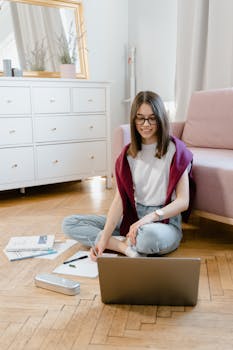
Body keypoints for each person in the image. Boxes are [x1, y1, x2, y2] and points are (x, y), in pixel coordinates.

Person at [62, 91, 195, 261]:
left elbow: (183, 202)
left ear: (160, 118)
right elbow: (119, 201)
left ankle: (123, 241)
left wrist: (149, 218)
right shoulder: (127, 155)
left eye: (152, 118)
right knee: (70, 223)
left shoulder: (176, 151)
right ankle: (124, 247)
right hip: (131, 217)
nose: (145, 124)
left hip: (163, 221)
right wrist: (103, 240)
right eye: (140, 118)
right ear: (133, 119)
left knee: (147, 238)